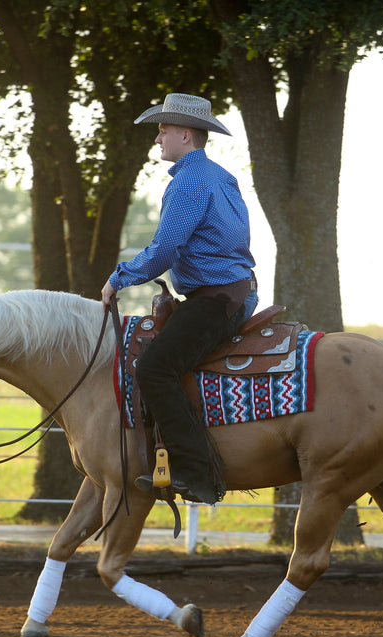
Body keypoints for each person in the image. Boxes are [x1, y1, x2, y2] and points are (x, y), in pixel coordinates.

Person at [101, 93, 257, 505]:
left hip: (216, 299)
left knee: (153, 370)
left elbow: (165, 249)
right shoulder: (221, 176)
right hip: (232, 291)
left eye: (163, 131)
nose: (158, 140)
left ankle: (196, 474)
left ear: (185, 135)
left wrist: (119, 278)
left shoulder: (188, 182)